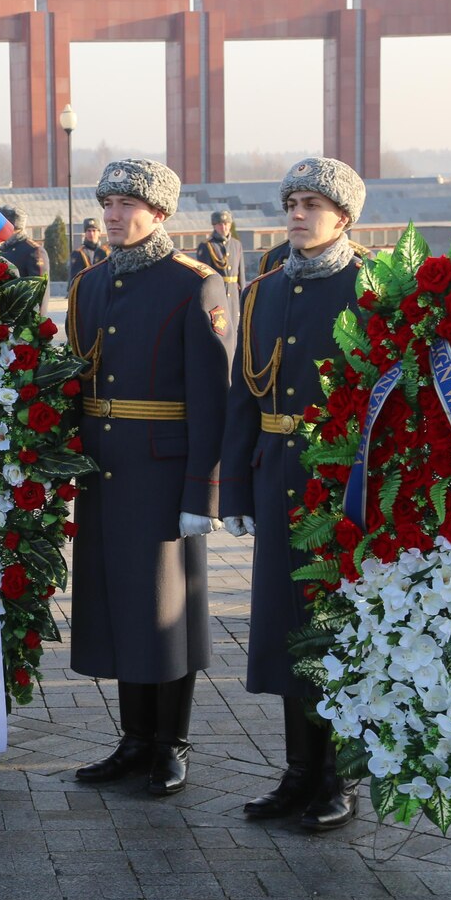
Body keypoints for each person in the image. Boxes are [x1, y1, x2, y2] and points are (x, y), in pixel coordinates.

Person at [67, 158, 233, 796]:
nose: (112, 216)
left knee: (167, 612)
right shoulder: (91, 284)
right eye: (107, 204)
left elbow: (213, 397)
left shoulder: (196, 284)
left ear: (160, 213)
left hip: (166, 472)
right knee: (120, 605)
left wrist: (205, 491)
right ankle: (133, 741)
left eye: (126, 205)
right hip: (105, 469)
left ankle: (171, 745)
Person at [220, 157, 370, 831]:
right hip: (280, 471)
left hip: (345, 481)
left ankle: (339, 777)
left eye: (314, 204)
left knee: (339, 630)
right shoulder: (265, 290)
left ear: (344, 217)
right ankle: (298, 771)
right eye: (293, 202)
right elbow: (244, 396)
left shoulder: (370, 286)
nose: (299, 214)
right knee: (287, 630)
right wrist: (237, 489)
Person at [0, 205, 50, 309]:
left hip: (22, 316)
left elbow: (39, 291)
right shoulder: (2, 248)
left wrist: (36, 321)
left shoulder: (33, 250)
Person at [196, 210, 246, 299]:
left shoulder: (236, 245)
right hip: (217, 295)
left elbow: (241, 274)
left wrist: (243, 295)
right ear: (214, 226)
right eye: (219, 224)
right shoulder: (207, 246)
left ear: (230, 225)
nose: (223, 227)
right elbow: (204, 276)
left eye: (226, 224)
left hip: (234, 295)